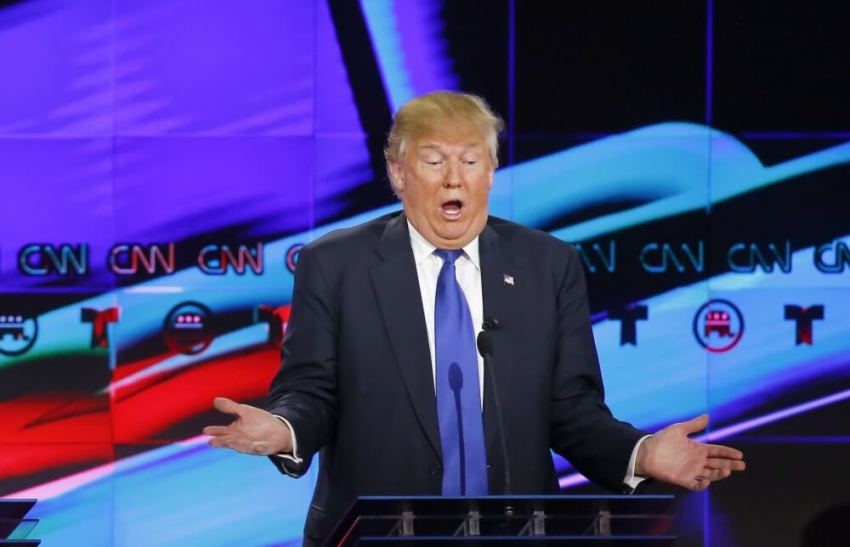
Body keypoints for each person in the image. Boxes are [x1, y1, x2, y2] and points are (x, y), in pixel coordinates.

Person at [204, 91, 745, 545]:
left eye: (471, 161)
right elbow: (313, 390)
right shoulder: (336, 263)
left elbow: (571, 410)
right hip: (371, 534)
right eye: (434, 161)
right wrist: (283, 429)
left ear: (491, 171)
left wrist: (641, 452)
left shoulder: (547, 263)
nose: (453, 180)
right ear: (397, 172)